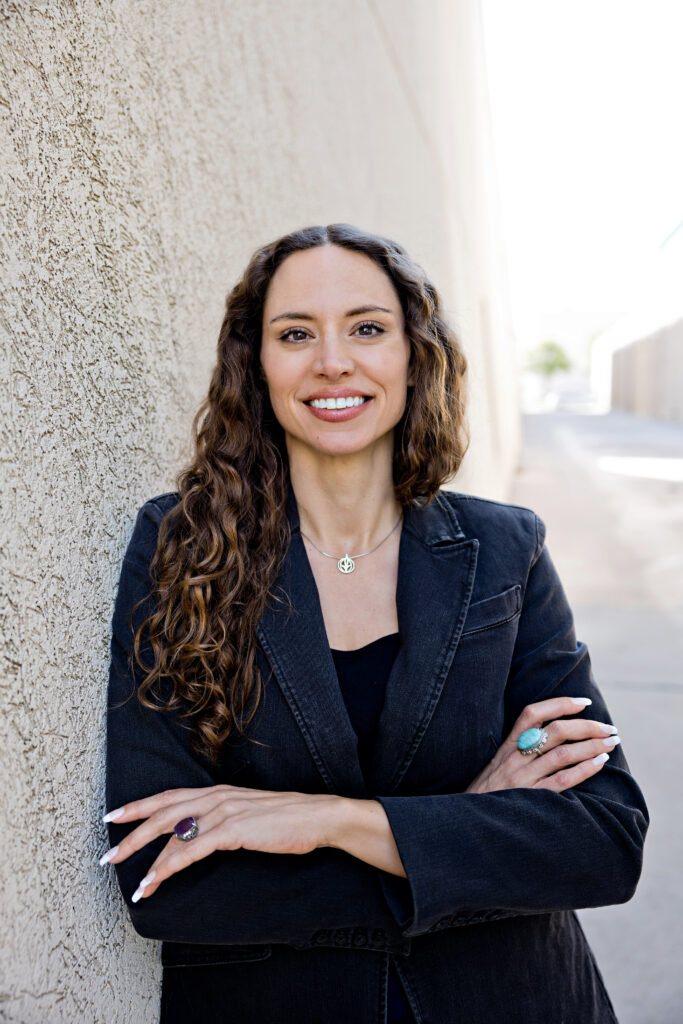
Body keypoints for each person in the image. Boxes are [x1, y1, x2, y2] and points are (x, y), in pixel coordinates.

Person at [102, 223, 649, 1024]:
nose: (333, 362)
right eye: (296, 334)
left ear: (410, 354)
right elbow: (167, 875)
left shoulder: (503, 550)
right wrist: (462, 828)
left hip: (513, 999)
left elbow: (601, 841)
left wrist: (329, 821)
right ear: (254, 365)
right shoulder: (180, 545)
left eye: (366, 328)